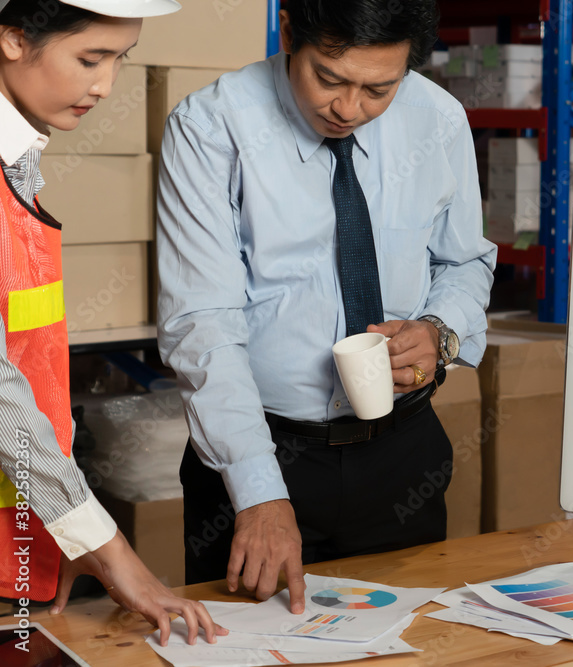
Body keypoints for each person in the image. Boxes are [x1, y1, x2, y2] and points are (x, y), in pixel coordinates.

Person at [156, 0, 496, 614]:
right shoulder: (213, 126)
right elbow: (201, 323)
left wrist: (440, 332)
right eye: (329, 78)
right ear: (289, 33)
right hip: (262, 454)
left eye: (379, 89)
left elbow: (465, 261)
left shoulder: (437, 119)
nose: (348, 109)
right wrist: (259, 494)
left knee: (408, 650)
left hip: (403, 452)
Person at [0, 0, 223, 645]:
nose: (105, 85)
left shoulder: (19, 159)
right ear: (14, 38)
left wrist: (57, 528)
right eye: (90, 58)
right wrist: (108, 548)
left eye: (119, 60)